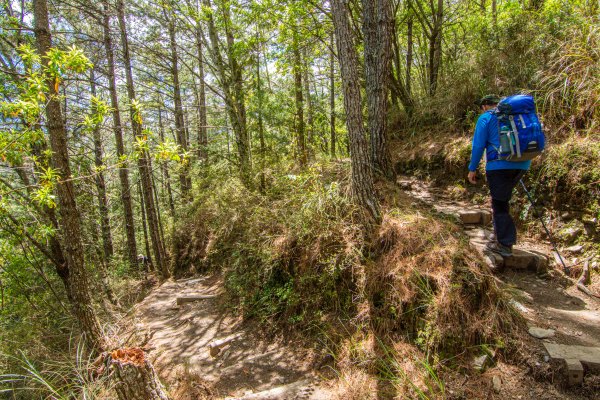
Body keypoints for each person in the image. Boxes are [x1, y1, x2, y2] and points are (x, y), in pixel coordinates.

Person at [467, 94, 531, 257]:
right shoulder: (515, 115)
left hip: (499, 165)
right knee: (503, 199)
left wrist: (472, 168)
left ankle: (505, 244)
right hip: (522, 163)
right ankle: (501, 236)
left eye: (482, 107)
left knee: (499, 204)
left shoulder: (485, 118)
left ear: (485, 106)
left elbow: (478, 145)